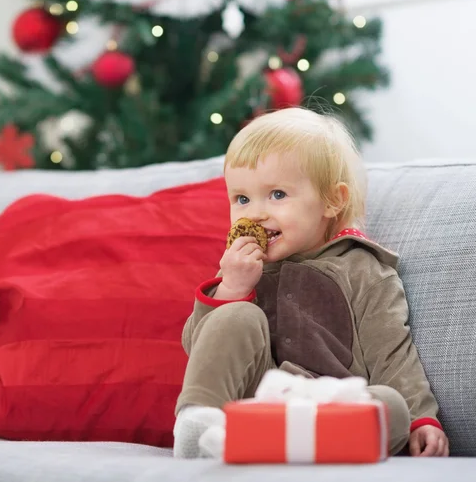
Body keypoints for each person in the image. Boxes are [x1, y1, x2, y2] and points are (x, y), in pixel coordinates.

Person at [173, 107, 449, 458]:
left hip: (332, 402)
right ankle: (199, 428)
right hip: (254, 400)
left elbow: (392, 355)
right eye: (242, 199)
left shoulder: (364, 270)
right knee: (235, 316)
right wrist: (231, 289)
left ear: (333, 200)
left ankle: (277, 442)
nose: (254, 213)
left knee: (391, 406)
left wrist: (422, 419)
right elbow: (199, 348)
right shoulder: (242, 268)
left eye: (276, 194)